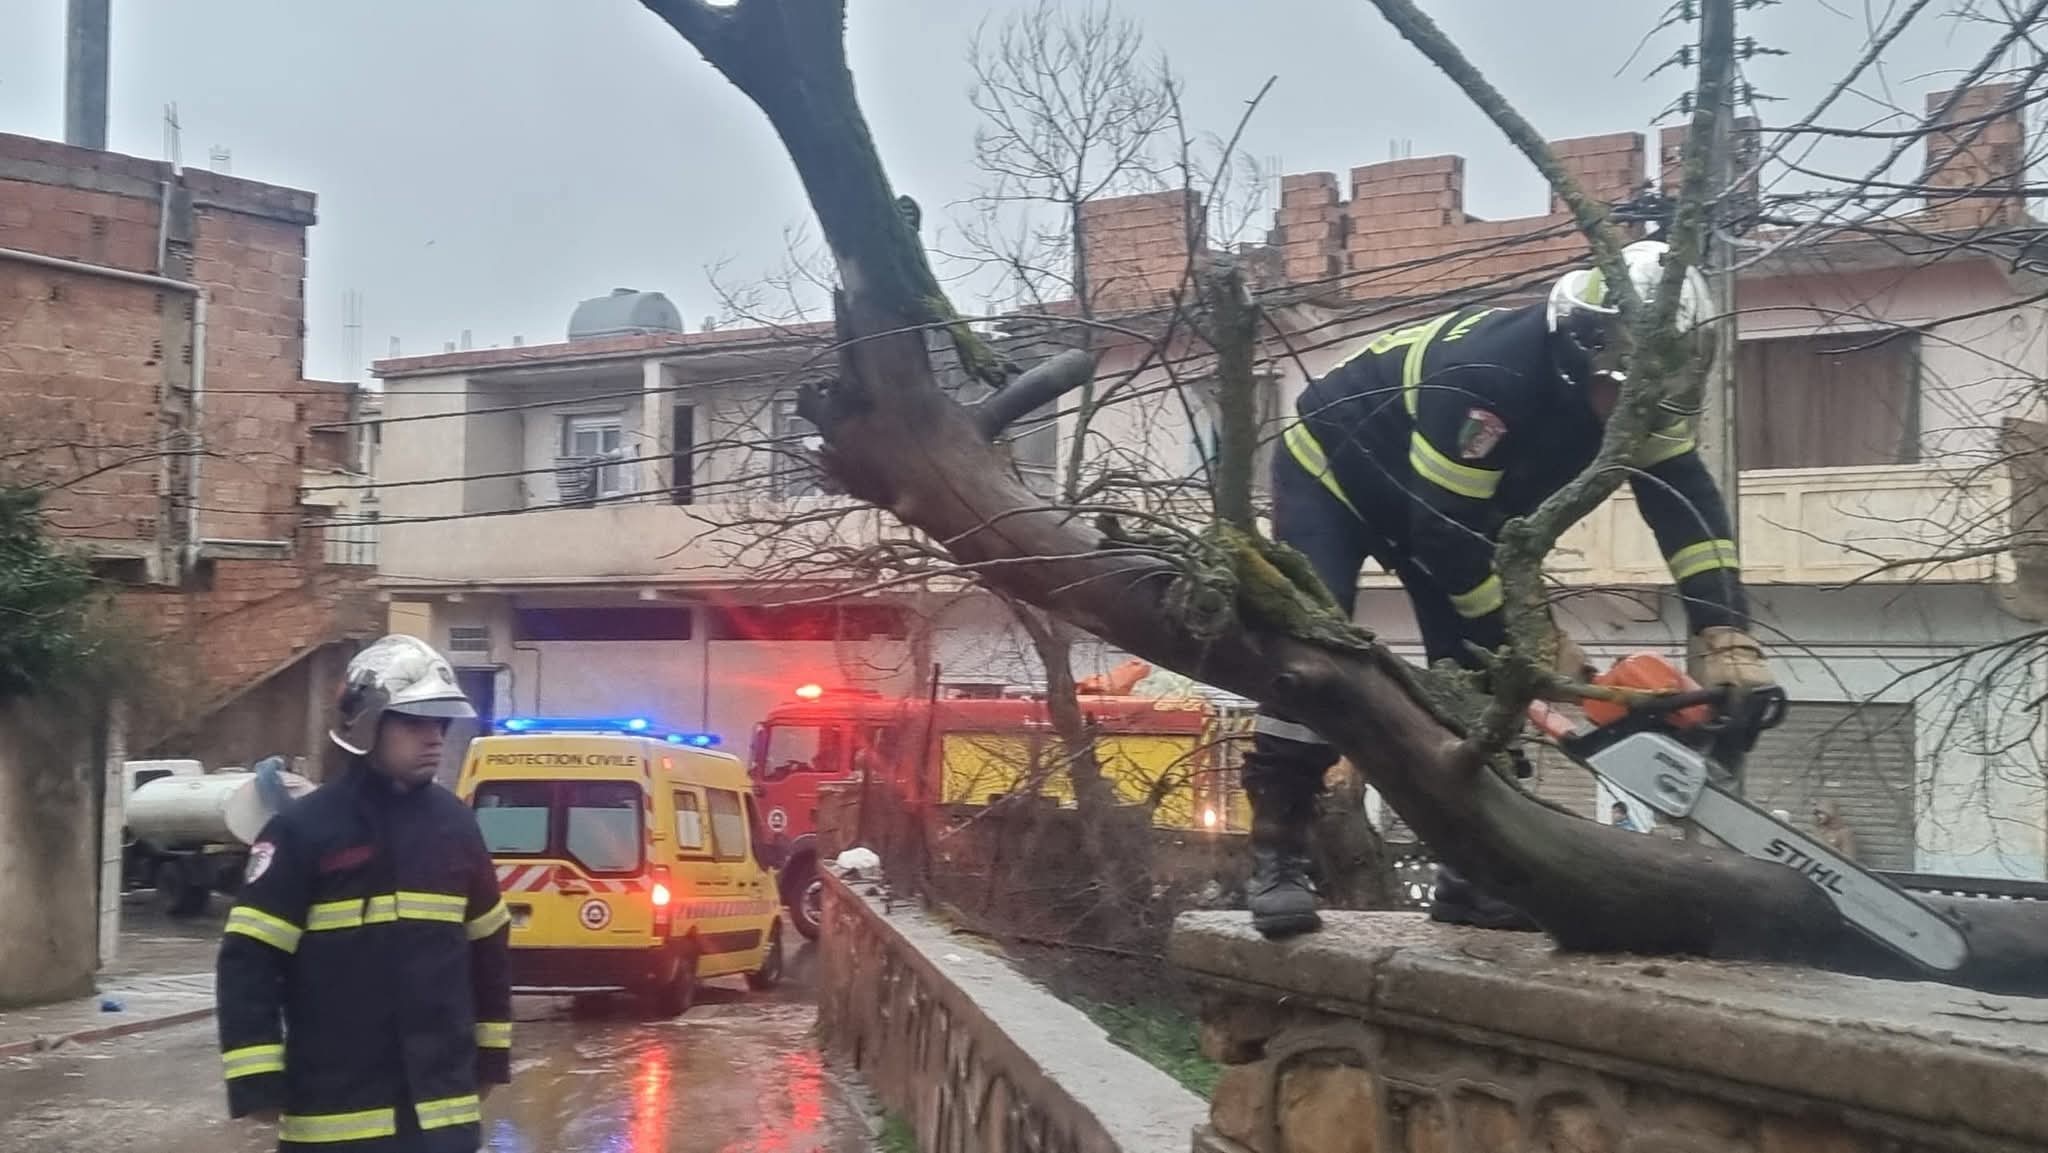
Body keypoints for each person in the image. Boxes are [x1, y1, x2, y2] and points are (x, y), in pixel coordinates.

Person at [1246, 239, 1779, 938]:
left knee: (1477, 685)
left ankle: (1471, 877)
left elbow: (1686, 504)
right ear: (1587, 347)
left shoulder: (1636, 394)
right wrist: (1533, 641)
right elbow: (1444, 536)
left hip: (1448, 511)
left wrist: (1723, 627)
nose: (1630, 410)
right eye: (1621, 390)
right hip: (1339, 473)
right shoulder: (1489, 382)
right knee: (1312, 650)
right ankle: (1276, 852)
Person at [216, 634, 513, 1152]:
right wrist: (257, 1079)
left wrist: (489, 1060)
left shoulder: (457, 826)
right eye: (415, 722)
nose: (435, 738)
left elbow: (489, 949)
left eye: (440, 724)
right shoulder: (304, 830)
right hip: (335, 1118)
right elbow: (250, 958)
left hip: (440, 1120)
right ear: (370, 724)